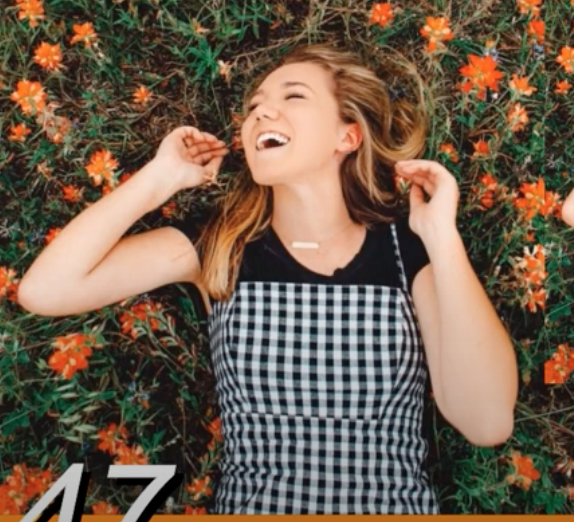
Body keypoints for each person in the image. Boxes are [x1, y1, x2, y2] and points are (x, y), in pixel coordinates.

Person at [17, 41, 518, 514]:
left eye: (293, 97)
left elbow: (488, 421)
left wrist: (440, 237)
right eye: (255, 105)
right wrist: (158, 179)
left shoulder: (405, 253)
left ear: (348, 135)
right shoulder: (220, 245)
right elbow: (46, 289)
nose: (262, 112)